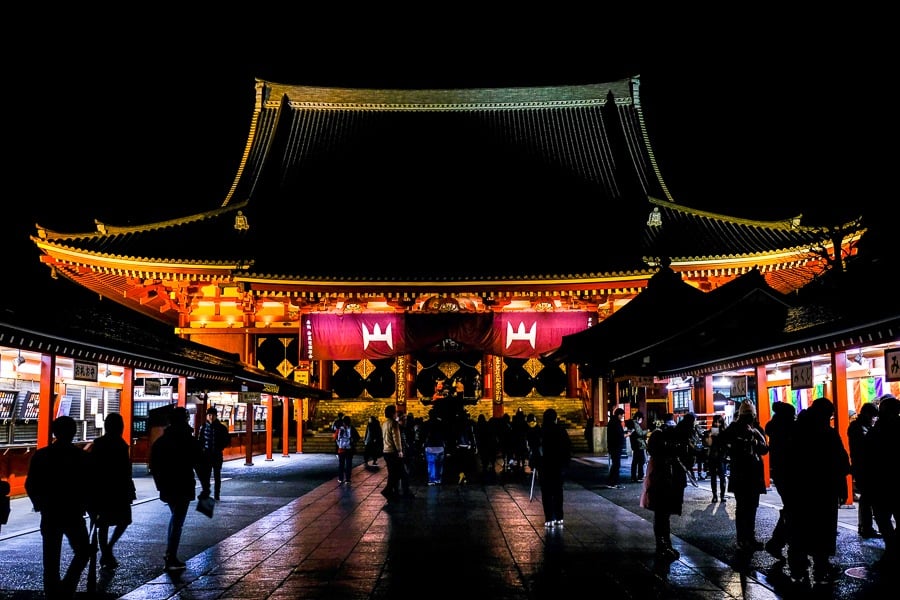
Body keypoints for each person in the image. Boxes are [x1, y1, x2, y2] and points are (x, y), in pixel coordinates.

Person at [782, 397, 850, 586]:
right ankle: (820, 566)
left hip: (799, 490)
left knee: (800, 529)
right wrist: (842, 487)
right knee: (823, 529)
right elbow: (841, 461)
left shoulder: (797, 431)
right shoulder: (828, 433)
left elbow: (787, 462)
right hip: (824, 490)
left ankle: (798, 565)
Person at [25, 415, 92, 599]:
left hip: (50, 512)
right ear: (73, 432)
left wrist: (39, 504)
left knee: (51, 557)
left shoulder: (41, 455)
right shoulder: (81, 457)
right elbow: (89, 485)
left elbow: (31, 484)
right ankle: (68, 587)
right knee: (83, 551)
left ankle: (52, 592)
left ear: (54, 432)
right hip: (73, 512)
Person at [150, 406, 202, 572]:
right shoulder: (188, 439)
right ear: (184, 420)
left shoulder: (161, 441)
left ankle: (170, 553)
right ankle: (170, 554)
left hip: (167, 485)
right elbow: (198, 462)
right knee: (178, 520)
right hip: (184, 483)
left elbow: (155, 465)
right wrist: (206, 486)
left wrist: (160, 484)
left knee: (176, 517)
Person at [641, 412, 695, 560]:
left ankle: (664, 544)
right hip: (667, 481)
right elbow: (688, 458)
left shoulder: (663, 436)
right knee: (662, 514)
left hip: (666, 480)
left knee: (663, 514)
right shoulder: (667, 438)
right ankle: (663, 545)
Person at [719, 400, 769, 553]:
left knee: (752, 507)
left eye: (751, 415)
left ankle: (750, 537)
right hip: (741, 472)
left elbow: (764, 449)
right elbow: (723, 444)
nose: (749, 418)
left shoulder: (755, 429)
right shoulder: (734, 429)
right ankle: (743, 538)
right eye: (747, 415)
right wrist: (738, 445)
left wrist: (754, 439)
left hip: (752, 473)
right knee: (743, 507)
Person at [89, 412, 136, 570]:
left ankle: (106, 552)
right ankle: (107, 551)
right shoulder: (121, 445)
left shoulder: (98, 444)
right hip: (118, 489)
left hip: (100, 489)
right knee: (124, 520)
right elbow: (125, 471)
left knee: (102, 525)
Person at [864, 394, 900, 572]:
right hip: (895, 482)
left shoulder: (875, 431)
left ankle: (892, 549)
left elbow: (868, 458)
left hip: (880, 483)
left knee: (883, 519)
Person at [763, 401, 795, 559]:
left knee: (791, 508)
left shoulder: (775, 429)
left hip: (780, 473)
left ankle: (779, 541)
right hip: (789, 473)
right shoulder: (786, 431)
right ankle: (779, 541)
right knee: (793, 508)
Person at [847, 402, 880, 538]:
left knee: (866, 498)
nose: (874, 419)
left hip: (861, 467)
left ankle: (865, 526)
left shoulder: (857, 426)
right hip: (864, 467)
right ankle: (865, 527)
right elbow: (866, 447)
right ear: (867, 414)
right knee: (867, 498)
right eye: (872, 416)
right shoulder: (858, 428)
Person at [535, 408, 572, 528]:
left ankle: (549, 518)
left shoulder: (541, 431)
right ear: (555, 418)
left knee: (546, 493)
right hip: (558, 466)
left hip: (545, 466)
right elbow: (568, 447)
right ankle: (559, 517)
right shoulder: (561, 430)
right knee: (557, 492)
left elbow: (536, 449)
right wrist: (565, 463)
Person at [380, 404, 413, 499]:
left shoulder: (385, 423)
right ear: (392, 413)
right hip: (393, 452)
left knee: (393, 473)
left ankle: (392, 491)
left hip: (386, 450)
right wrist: (400, 450)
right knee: (401, 473)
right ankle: (390, 491)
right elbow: (396, 438)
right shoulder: (394, 424)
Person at [197, 406, 230, 501]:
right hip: (206, 455)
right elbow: (200, 440)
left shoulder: (222, 428)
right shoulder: (203, 427)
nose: (211, 417)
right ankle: (206, 491)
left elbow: (226, 440)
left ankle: (216, 494)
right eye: (209, 415)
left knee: (217, 475)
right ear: (207, 416)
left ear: (216, 416)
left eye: (213, 415)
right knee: (206, 475)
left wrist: (220, 447)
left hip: (217, 454)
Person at [704, 414, 728, 503]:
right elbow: (709, 444)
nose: (717, 424)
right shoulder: (711, 431)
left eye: (719, 422)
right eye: (716, 422)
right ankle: (714, 495)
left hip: (721, 457)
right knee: (713, 477)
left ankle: (722, 496)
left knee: (722, 477)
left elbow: (727, 444)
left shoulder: (725, 432)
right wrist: (710, 436)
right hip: (713, 456)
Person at [605, 407, 629, 489]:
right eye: (622, 416)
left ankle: (612, 482)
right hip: (615, 446)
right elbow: (618, 435)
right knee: (616, 465)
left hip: (614, 446)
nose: (622, 417)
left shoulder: (612, 422)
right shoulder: (615, 423)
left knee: (615, 465)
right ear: (619, 415)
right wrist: (626, 435)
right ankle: (612, 482)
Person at [334, 414, 360, 485]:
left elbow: (335, 437)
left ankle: (340, 478)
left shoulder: (339, 429)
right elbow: (358, 437)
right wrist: (352, 441)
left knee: (341, 464)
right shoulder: (352, 428)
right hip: (349, 449)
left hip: (341, 449)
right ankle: (348, 479)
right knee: (348, 464)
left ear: (343, 422)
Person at [422, 413, 447, 485]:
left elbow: (423, 435)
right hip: (440, 446)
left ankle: (432, 479)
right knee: (439, 464)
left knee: (431, 464)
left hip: (429, 446)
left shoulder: (426, 424)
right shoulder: (441, 424)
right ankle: (438, 479)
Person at [629, 411, 648, 482]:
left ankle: (635, 476)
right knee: (640, 461)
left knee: (636, 461)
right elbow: (639, 433)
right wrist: (646, 431)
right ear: (638, 418)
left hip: (636, 445)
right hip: (638, 445)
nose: (641, 420)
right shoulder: (635, 423)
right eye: (641, 419)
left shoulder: (633, 423)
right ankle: (639, 476)